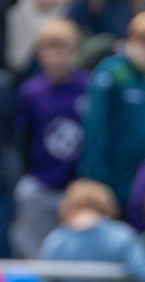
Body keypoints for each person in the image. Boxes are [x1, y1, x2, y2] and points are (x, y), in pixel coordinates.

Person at [77, 9, 145, 208]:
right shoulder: (111, 73)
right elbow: (95, 130)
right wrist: (95, 178)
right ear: (139, 41)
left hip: (137, 178)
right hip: (108, 177)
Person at [10, 17, 89, 258]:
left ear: (75, 51)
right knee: (26, 197)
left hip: (78, 185)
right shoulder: (31, 91)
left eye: (65, 49)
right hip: (41, 182)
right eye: (52, 49)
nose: (58, 56)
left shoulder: (89, 85)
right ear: (41, 54)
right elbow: (22, 140)